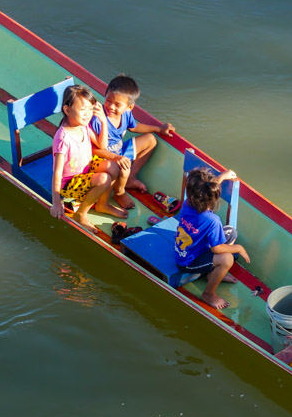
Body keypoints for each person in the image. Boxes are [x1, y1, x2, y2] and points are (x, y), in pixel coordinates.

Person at [89, 75, 176, 210]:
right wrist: (115, 157)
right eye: (108, 100)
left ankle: (129, 179)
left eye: (117, 104)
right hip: (103, 159)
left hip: (119, 151)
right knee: (122, 167)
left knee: (150, 140)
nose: (111, 106)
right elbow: (93, 150)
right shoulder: (97, 120)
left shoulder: (126, 114)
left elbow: (133, 127)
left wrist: (159, 129)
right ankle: (119, 192)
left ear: (129, 107)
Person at [49, 85, 128, 230]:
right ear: (67, 110)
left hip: (86, 170)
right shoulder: (63, 138)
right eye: (82, 109)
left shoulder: (83, 124)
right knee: (104, 179)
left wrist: (103, 121)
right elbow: (57, 172)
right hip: (70, 183)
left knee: (113, 166)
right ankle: (81, 214)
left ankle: (102, 204)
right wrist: (56, 202)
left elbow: (101, 145)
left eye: (90, 109)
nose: (87, 114)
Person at [175, 167, 250, 310]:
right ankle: (209, 293)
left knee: (231, 233)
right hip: (187, 262)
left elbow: (206, 188)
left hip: (190, 248)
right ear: (213, 198)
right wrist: (238, 248)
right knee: (227, 259)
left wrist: (222, 176)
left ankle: (213, 274)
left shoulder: (187, 203)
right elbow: (217, 248)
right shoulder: (212, 220)